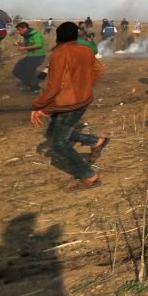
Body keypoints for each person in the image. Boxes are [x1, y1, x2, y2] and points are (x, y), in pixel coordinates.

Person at [30, 22, 108, 191]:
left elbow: (54, 88)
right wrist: (84, 86)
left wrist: (38, 107)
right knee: (53, 132)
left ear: (58, 36)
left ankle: (90, 176)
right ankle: (96, 141)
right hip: (82, 100)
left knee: (59, 144)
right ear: (76, 35)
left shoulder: (59, 54)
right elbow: (99, 70)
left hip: (68, 104)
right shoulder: (86, 50)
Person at [12, 22, 46, 93]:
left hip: (38, 57)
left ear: (25, 28)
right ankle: (29, 84)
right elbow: (28, 43)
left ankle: (35, 89)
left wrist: (24, 48)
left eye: (19, 30)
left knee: (28, 73)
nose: (18, 32)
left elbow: (38, 45)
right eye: (17, 30)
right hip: (30, 56)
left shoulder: (36, 34)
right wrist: (18, 43)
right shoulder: (26, 35)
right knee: (16, 71)